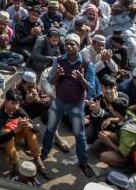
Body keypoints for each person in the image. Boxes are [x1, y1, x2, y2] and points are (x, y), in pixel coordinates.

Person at [41, 33, 97, 177]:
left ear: (79, 47)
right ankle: (43, 154)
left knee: (80, 134)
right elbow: (51, 81)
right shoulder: (58, 60)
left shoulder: (87, 64)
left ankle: (83, 162)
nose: (69, 46)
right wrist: (58, 75)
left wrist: (81, 79)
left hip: (76, 104)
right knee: (50, 129)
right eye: (67, 43)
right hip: (59, 101)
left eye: (73, 44)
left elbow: (91, 88)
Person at [0, 89, 48, 178]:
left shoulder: (18, 110)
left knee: (28, 128)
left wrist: (29, 125)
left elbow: (36, 129)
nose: (16, 107)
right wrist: (17, 129)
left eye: (18, 103)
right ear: (6, 102)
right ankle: (14, 165)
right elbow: (1, 138)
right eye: (13, 103)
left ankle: (37, 159)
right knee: (7, 133)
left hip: (11, 136)